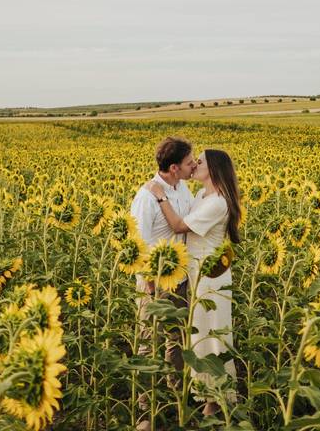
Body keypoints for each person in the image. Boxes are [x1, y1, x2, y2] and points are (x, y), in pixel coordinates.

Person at [145, 148, 241, 416]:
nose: (195, 164)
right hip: (196, 274)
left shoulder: (218, 202)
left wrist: (159, 194)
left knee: (212, 338)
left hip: (210, 279)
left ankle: (215, 402)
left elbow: (178, 226)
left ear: (214, 169)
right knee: (197, 336)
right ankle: (206, 397)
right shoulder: (201, 195)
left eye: (201, 161)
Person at [129, 136, 197, 430]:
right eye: (189, 162)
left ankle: (172, 394)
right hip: (155, 284)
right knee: (148, 343)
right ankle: (145, 409)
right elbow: (138, 241)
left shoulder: (182, 189)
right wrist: (149, 284)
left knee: (177, 342)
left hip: (179, 279)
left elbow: (187, 225)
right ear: (173, 167)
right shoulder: (146, 197)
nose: (193, 165)